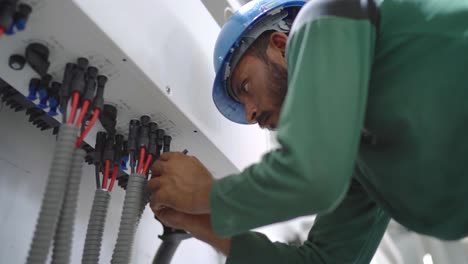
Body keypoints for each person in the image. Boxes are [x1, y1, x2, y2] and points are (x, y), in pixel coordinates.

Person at [148, 0, 468, 263]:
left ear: (280, 45)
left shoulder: (322, 18)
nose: (250, 113)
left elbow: (313, 177)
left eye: (246, 86)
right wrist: (197, 221)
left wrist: (204, 195)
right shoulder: (361, 158)